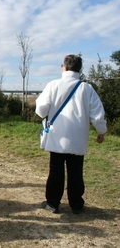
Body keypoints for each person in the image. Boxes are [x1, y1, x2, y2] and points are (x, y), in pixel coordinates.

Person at [35, 54, 107, 214]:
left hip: (56, 136)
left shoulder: (53, 85)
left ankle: (53, 203)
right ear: (79, 70)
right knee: (76, 172)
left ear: (64, 67)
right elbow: (97, 113)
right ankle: (76, 204)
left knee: (56, 171)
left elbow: (41, 110)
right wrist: (101, 131)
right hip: (78, 138)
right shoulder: (87, 89)